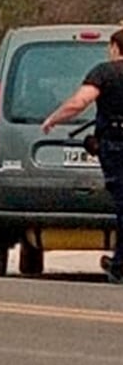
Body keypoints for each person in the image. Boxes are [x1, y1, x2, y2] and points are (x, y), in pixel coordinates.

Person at [42, 29, 123, 282]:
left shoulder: (105, 72)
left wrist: (53, 118)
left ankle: (120, 265)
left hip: (115, 145)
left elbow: (80, 102)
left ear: (114, 47)